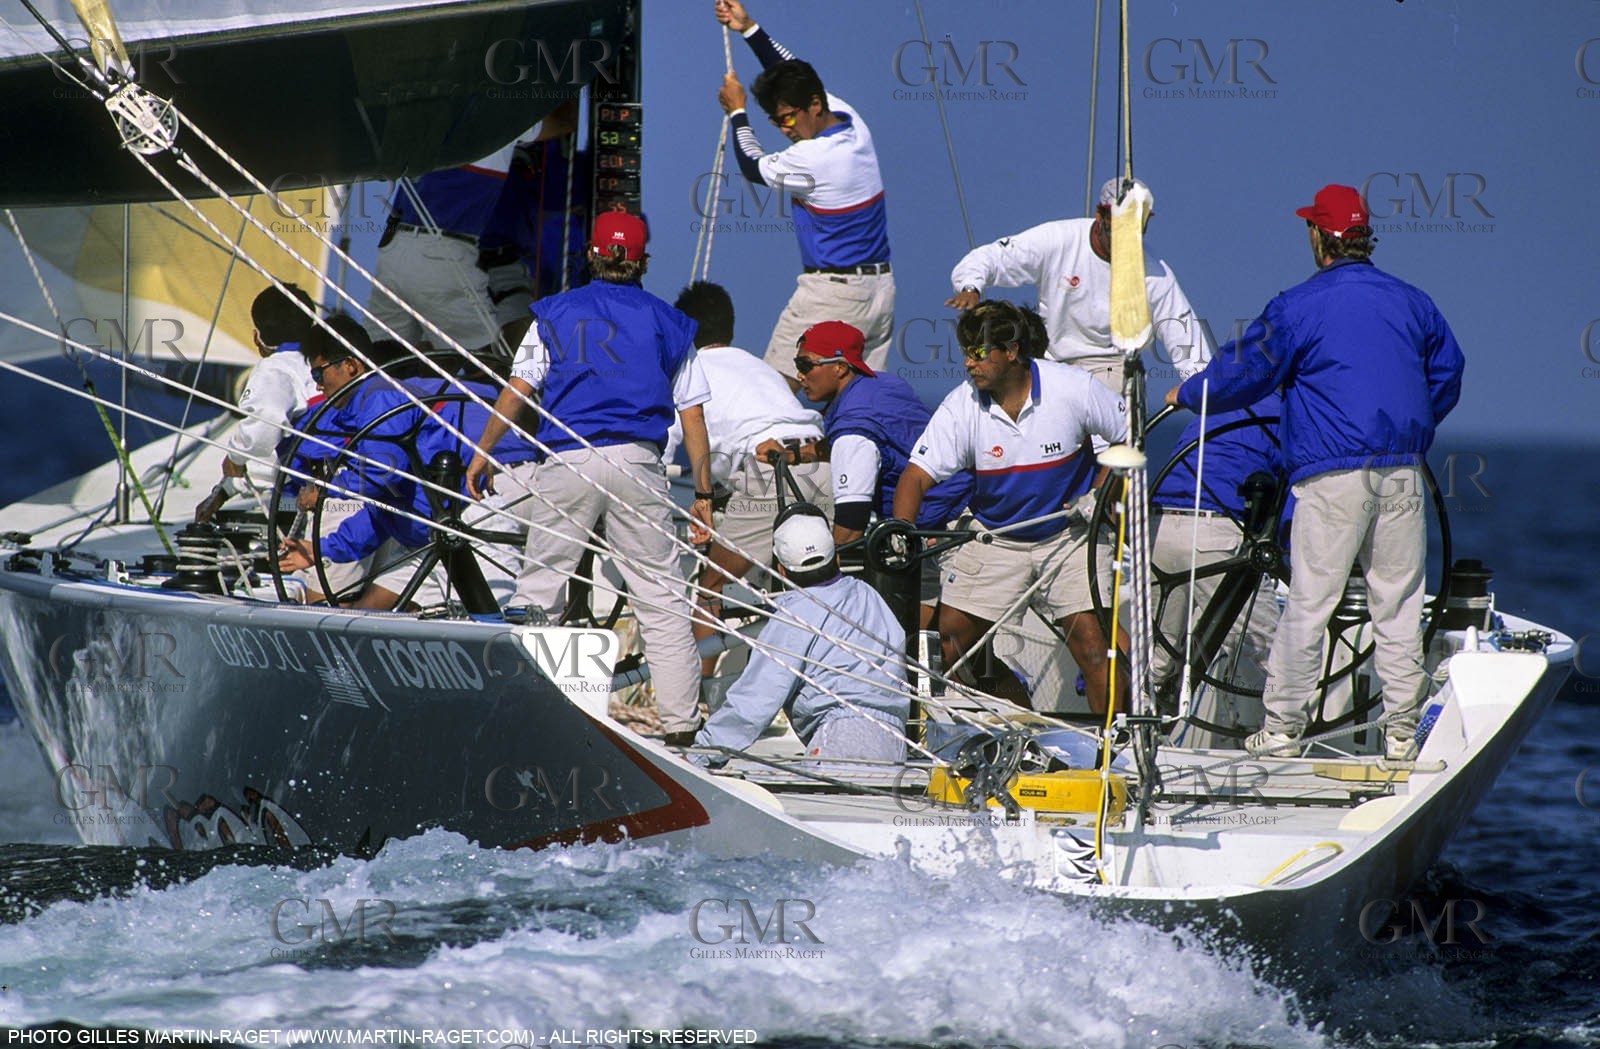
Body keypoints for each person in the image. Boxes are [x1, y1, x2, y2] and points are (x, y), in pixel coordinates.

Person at [1165, 184, 1465, 759]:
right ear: (1362, 235)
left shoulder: (1298, 305)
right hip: (1403, 471)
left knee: (1311, 600)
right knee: (1399, 602)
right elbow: (1448, 371)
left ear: (1318, 236)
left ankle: (1281, 730)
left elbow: (1247, 373)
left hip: (1333, 475)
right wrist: (1416, 429)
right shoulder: (1413, 300)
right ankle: (1402, 733)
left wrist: (1192, 392)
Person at [466, 211, 716, 746]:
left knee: (538, 594)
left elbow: (518, 389)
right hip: (638, 465)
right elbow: (692, 417)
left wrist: (481, 452)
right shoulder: (670, 322)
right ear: (643, 260)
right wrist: (704, 492)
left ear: (592, 255)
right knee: (662, 600)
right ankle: (681, 731)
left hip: (568, 461)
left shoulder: (554, 313)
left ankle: (516, 716)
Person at [893, 300, 1129, 714]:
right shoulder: (960, 406)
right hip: (995, 539)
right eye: (965, 353)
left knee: (1095, 652)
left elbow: (1130, 440)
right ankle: (1025, 732)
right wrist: (899, 533)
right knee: (948, 650)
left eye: (979, 353)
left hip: (1068, 540)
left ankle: (1116, 755)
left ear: (1013, 351)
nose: (969, 364)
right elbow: (914, 478)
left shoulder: (1073, 387)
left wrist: (1100, 492)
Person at [277, 316, 535, 609]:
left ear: (350, 365)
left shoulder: (379, 397)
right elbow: (386, 508)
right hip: (449, 515)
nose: (317, 386)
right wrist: (320, 550)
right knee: (370, 607)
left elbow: (380, 477)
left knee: (496, 620)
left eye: (319, 375)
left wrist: (324, 491)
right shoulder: (391, 398)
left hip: (480, 503)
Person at [713, 0, 894, 390]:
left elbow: (751, 164)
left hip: (833, 297)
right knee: (859, 402)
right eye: (775, 121)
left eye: (788, 118)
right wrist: (748, 28)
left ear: (814, 107)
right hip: (880, 293)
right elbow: (789, 71)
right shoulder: (850, 121)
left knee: (770, 390)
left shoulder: (813, 158)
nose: (783, 129)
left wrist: (737, 112)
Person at [664, 281, 833, 674]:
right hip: (821, 461)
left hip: (771, 471)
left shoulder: (689, 372)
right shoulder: (762, 369)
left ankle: (699, 693)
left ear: (683, 331)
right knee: (808, 583)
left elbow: (663, 444)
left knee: (712, 584)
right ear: (731, 329)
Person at [758, 320, 971, 623]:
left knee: (929, 647)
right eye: (797, 365)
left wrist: (813, 589)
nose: (800, 376)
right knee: (930, 647)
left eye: (806, 365)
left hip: (941, 533)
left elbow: (850, 529)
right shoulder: (882, 385)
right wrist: (794, 455)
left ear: (840, 367)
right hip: (956, 514)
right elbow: (876, 441)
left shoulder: (853, 430)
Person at [946, 177, 1213, 395]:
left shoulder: (1155, 274)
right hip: (1049, 363)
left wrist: (1202, 392)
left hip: (1111, 367)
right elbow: (993, 258)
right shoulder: (1058, 239)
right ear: (1100, 215)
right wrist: (971, 285)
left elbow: (1184, 335)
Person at [365, 104, 577, 368]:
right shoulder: (500, 117)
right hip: (440, 254)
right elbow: (565, 122)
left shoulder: (434, 112)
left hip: (394, 248)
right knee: (487, 364)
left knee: (383, 361)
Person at [692, 506, 909, 764]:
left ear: (781, 572)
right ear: (836, 559)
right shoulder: (869, 595)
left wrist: (702, 756)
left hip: (840, 739)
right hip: (895, 743)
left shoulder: (792, 616)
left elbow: (754, 702)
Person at [1147, 393, 1286, 722]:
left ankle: (1139, 735)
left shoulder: (1219, 401)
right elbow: (1293, 487)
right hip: (1213, 534)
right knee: (1273, 647)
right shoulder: (1289, 413)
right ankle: (1286, 734)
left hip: (1159, 528)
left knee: (1157, 656)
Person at [194, 282, 317, 522]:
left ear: (257, 336)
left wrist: (235, 458)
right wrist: (227, 489)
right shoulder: (324, 363)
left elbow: (267, 421)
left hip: (302, 500)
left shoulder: (274, 368)